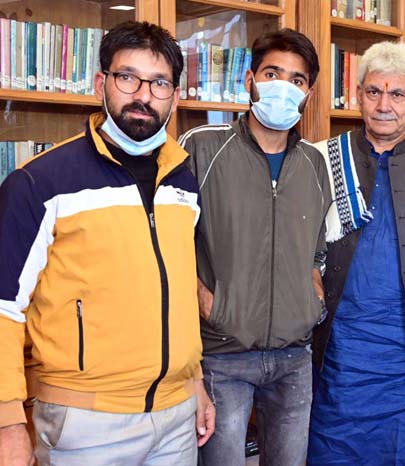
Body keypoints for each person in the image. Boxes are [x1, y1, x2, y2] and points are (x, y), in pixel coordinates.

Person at [0, 21, 214, 466]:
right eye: (127, 77)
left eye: (159, 83)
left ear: (175, 96)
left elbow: (175, 291)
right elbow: (4, 306)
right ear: (101, 83)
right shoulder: (39, 182)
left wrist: (194, 383)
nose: (143, 95)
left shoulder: (185, 182)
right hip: (83, 421)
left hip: (177, 418)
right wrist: (7, 424)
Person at [307, 41, 405, 466]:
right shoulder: (322, 160)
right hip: (341, 364)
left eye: (396, 94)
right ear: (358, 94)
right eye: (374, 92)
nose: (384, 105)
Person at [179, 29, 330, 466]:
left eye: (297, 80)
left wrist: (311, 298)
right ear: (249, 80)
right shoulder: (201, 148)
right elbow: (171, 244)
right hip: (223, 356)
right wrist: (209, 304)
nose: (284, 87)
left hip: (294, 358)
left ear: (309, 93)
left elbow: (317, 249)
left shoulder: (314, 164)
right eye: (272, 73)